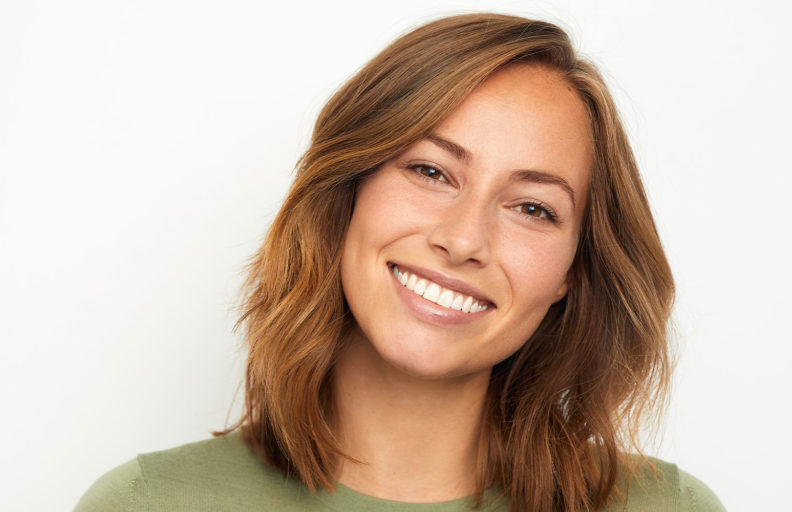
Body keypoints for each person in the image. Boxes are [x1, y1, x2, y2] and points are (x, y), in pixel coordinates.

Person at [75, 13, 725, 512]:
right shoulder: (151, 502)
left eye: (532, 208)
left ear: (572, 274)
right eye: (430, 170)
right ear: (347, 192)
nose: (464, 239)